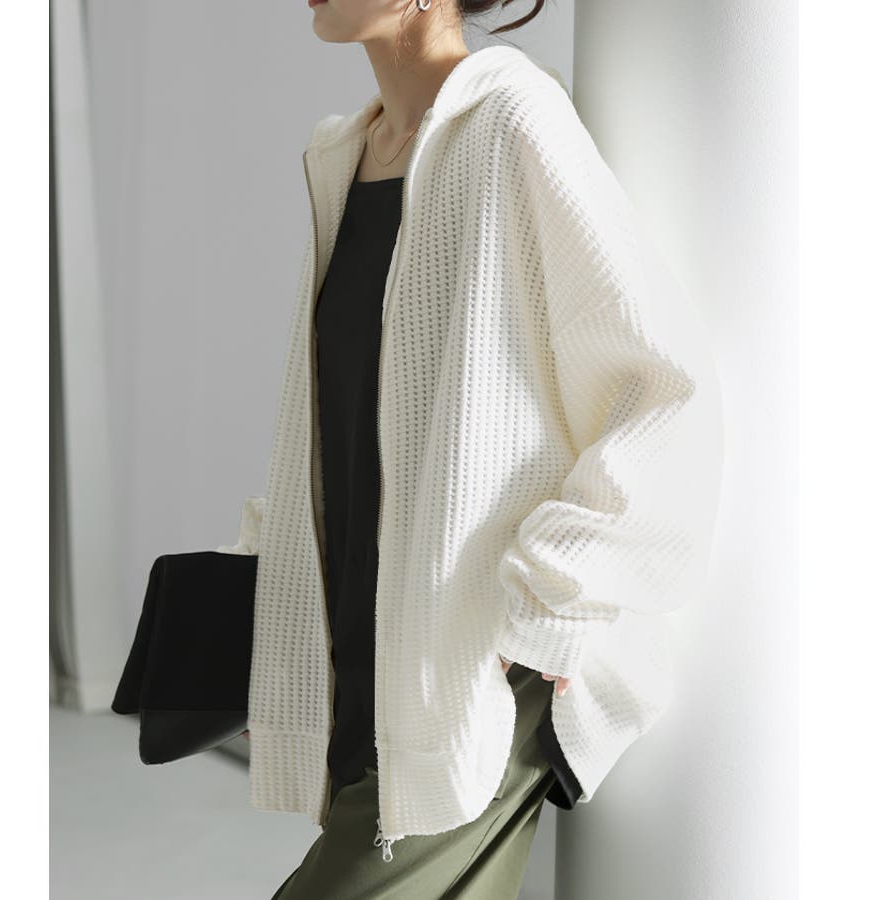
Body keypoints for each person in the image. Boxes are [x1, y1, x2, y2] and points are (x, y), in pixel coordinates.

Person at [237, 1, 724, 897]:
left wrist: (552, 602)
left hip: (476, 661)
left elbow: (660, 381)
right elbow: (344, 418)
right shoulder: (345, 156)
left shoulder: (512, 122)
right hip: (372, 650)